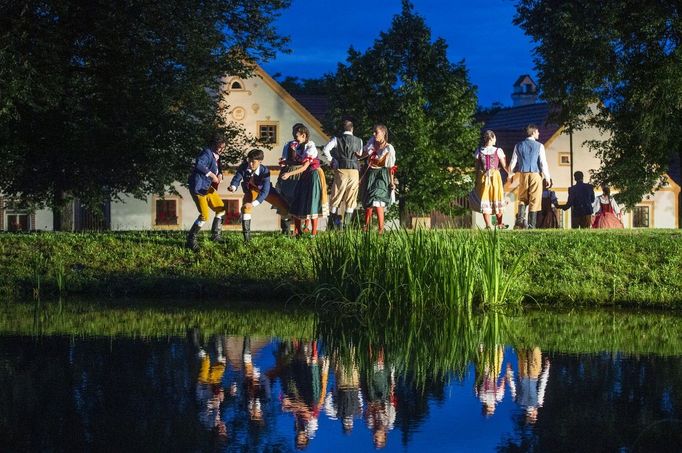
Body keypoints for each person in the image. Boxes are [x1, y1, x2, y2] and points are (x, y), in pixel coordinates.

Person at [228, 149, 289, 242]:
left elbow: (265, 191)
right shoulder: (243, 167)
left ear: (260, 162)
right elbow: (237, 178)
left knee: (284, 207)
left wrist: (253, 204)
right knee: (245, 208)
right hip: (250, 191)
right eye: (249, 161)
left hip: (266, 192)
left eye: (253, 162)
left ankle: (286, 234)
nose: (250, 164)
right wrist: (233, 187)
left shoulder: (265, 171)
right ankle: (247, 239)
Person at [280, 125, 329, 237]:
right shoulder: (296, 145)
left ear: (303, 135)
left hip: (313, 175)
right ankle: (298, 231)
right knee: (298, 200)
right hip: (304, 175)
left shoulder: (310, 146)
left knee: (313, 202)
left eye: (296, 136)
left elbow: (304, 166)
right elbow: (293, 161)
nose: (294, 138)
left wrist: (289, 174)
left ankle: (313, 233)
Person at [186, 133, 227, 251]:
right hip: (199, 188)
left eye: (224, 147)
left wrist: (220, 175)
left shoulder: (217, 155)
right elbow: (199, 164)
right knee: (204, 216)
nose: (222, 150)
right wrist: (211, 174)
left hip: (208, 188)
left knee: (221, 208)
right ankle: (190, 241)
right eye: (220, 147)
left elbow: (218, 167)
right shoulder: (206, 153)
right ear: (214, 145)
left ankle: (215, 236)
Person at [321, 119, 364, 230]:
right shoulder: (359, 141)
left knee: (336, 196)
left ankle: (332, 224)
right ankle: (346, 225)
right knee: (351, 197)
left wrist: (332, 161)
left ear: (343, 128)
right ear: (352, 128)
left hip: (341, 170)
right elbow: (360, 154)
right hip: (354, 171)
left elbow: (326, 149)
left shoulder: (337, 139)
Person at [508, 124, 552, 229]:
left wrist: (510, 175)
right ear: (533, 132)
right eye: (537, 132)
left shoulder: (518, 145)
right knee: (535, 199)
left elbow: (512, 162)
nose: (539, 133)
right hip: (535, 174)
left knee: (522, 198)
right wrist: (547, 177)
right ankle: (532, 225)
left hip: (523, 174)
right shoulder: (539, 146)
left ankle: (521, 218)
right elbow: (543, 163)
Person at [361, 125, 397, 233]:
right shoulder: (371, 144)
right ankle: (366, 227)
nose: (373, 134)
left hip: (381, 175)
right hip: (370, 174)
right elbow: (362, 155)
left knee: (377, 198)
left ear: (383, 133)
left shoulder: (388, 148)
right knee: (369, 201)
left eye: (376, 132)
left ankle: (381, 230)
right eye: (373, 132)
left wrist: (392, 183)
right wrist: (357, 155)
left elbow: (391, 167)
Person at [473, 130, 508, 229]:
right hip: (494, 176)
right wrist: (510, 173)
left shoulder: (479, 151)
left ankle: (488, 225)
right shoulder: (498, 150)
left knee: (486, 199)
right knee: (496, 197)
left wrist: (476, 179)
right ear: (492, 138)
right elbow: (504, 165)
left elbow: (476, 167)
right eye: (495, 138)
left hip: (483, 176)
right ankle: (500, 223)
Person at [277, 123, 305, 235]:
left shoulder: (307, 145)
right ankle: (286, 229)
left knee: (300, 200)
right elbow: (284, 159)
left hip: (301, 174)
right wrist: (283, 164)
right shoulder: (288, 144)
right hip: (289, 173)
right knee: (285, 200)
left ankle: (300, 229)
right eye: (294, 131)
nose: (295, 134)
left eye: (297, 132)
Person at [510, 347, 550, 424]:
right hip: (523, 375)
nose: (537, 413)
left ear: (532, 414)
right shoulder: (519, 402)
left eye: (535, 415)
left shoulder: (538, 403)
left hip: (533, 376)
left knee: (535, 352)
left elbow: (542, 386)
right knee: (523, 353)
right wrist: (510, 374)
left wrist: (546, 370)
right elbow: (514, 388)